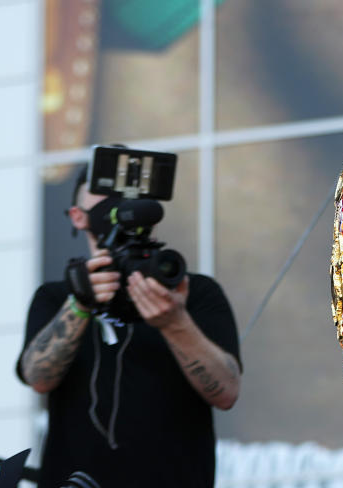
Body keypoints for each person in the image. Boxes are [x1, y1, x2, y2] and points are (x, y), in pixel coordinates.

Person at [17, 165, 242, 488]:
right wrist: (80, 305)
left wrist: (175, 323)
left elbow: (226, 392)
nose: (118, 199)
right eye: (105, 189)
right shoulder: (55, 297)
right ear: (78, 216)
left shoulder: (193, 292)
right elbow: (38, 378)